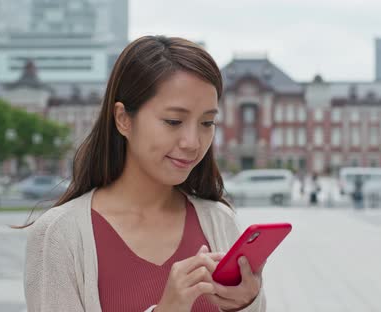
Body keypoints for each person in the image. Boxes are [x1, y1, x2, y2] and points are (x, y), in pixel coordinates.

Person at [21, 36, 265, 312]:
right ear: (123, 119)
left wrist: (247, 302)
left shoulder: (219, 220)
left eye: (207, 122)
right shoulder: (59, 235)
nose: (193, 142)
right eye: (173, 121)